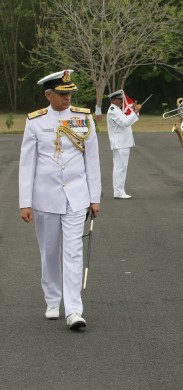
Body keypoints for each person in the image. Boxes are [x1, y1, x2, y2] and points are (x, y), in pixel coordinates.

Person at [19, 69, 101, 330]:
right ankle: (53, 300)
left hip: (76, 197)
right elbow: (26, 164)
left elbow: (92, 160)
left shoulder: (83, 118)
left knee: (74, 252)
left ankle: (74, 310)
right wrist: (25, 202)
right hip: (46, 198)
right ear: (48, 94)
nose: (67, 98)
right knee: (50, 251)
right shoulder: (35, 122)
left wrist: (94, 197)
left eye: (70, 93)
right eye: (62, 94)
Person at [106, 90, 141, 199]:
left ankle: (119, 191)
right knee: (120, 168)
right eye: (120, 99)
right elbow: (125, 123)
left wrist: (135, 112)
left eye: (122, 99)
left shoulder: (117, 110)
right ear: (113, 100)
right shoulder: (113, 110)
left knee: (121, 167)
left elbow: (127, 120)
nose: (122, 101)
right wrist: (134, 112)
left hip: (123, 142)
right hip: (120, 143)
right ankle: (119, 191)